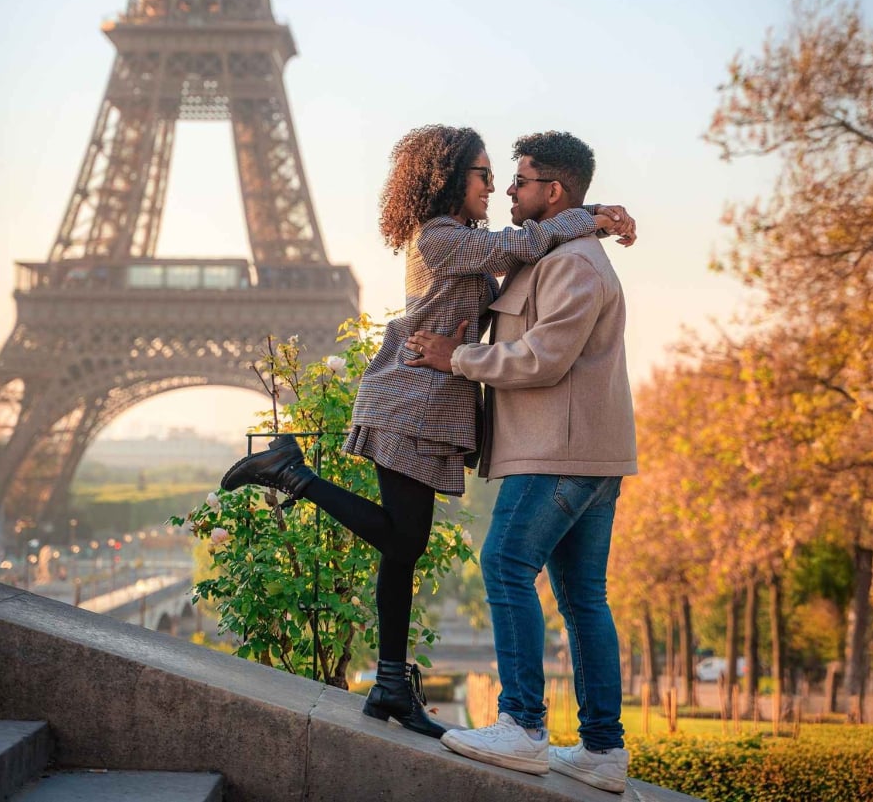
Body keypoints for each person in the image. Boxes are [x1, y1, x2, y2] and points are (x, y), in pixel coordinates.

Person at [218, 124, 634, 739]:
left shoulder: (468, 238)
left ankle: (389, 683)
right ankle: (291, 475)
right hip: (411, 397)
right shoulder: (439, 238)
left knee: (402, 545)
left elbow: (526, 245)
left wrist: (588, 217)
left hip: (436, 405)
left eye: (504, 177)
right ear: (448, 180)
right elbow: (523, 243)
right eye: (485, 175)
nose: (495, 187)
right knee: (405, 543)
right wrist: (592, 216)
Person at [406, 131, 637, 793]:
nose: (508, 190)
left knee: (504, 563)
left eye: (520, 180)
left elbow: (541, 357)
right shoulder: (555, 254)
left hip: (559, 453)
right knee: (581, 596)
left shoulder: (575, 265)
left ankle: (524, 725)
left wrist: (457, 359)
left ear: (553, 192)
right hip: (582, 451)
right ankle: (601, 749)